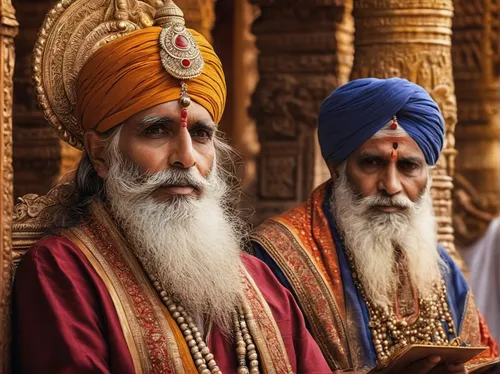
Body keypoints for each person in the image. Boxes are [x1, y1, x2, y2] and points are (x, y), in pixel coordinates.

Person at [11, 1, 331, 373]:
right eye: (156, 131)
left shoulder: (257, 279)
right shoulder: (64, 271)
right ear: (100, 154)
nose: (186, 157)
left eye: (200, 134)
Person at [252, 78, 499, 373]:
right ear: (337, 169)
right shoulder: (274, 257)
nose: (392, 185)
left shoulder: (439, 266)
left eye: (408, 167)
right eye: (371, 163)